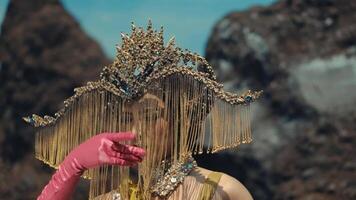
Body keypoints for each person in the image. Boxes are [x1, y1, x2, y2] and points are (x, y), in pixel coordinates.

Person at [24, 21, 261, 200]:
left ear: (182, 119)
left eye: (149, 116)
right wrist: (71, 167)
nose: (136, 131)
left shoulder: (221, 192)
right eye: (128, 119)